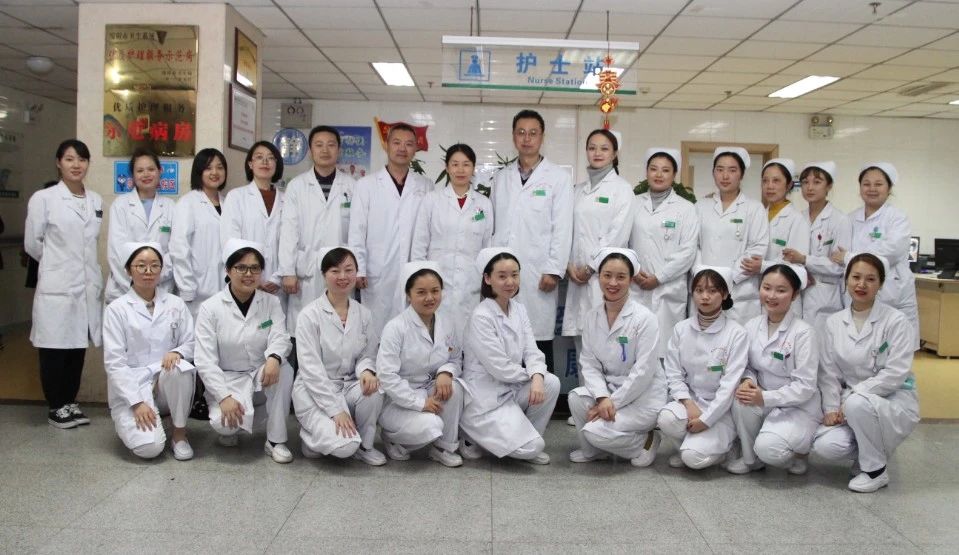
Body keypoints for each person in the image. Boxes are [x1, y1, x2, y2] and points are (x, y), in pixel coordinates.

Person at [812, 253, 919, 493]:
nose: (861, 284)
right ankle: (869, 451)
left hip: (893, 399)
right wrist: (831, 408)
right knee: (826, 446)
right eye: (856, 277)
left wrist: (855, 396)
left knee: (858, 404)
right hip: (850, 403)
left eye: (870, 279)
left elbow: (896, 373)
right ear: (846, 280)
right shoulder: (834, 323)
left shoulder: (896, 321)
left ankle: (875, 471)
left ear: (880, 284)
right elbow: (828, 372)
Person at [24, 139, 104, 428]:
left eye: (82, 159)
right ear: (59, 163)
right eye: (70, 159)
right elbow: (33, 243)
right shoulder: (43, 199)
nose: (76, 165)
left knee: (77, 347)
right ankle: (56, 405)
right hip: (57, 285)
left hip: (85, 286)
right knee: (54, 349)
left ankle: (70, 402)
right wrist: (57, 266)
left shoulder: (95, 200)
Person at [194, 239, 295, 463]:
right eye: (241, 267)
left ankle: (275, 440)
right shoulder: (210, 308)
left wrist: (274, 357)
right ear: (228, 270)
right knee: (224, 425)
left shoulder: (271, 302)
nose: (248, 274)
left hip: (260, 374)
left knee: (285, 369)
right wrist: (223, 397)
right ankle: (235, 425)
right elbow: (204, 360)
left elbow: (280, 336)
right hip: (228, 378)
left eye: (255, 268)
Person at [460, 248, 561, 464]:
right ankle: (471, 436)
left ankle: (527, 436)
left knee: (550, 383)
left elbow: (532, 351)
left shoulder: (519, 309)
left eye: (515, 275)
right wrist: (532, 376)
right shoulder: (481, 316)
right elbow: (500, 368)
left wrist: (538, 376)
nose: (510, 282)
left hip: (510, 389)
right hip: (487, 398)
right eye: (502, 276)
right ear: (487, 279)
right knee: (533, 447)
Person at [567, 248, 666, 467]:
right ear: (598, 277)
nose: (613, 283)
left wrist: (613, 402)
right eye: (607, 275)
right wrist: (602, 397)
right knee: (576, 397)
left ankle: (646, 441)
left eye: (621, 277)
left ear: (631, 280)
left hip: (643, 399)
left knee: (595, 431)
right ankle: (594, 452)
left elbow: (643, 371)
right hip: (610, 392)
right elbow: (590, 364)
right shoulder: (592, 317)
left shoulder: (645, 319)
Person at [490, 109, 573, 367]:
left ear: (542, 137)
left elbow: (563, 227)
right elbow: (495, 224)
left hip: (539, 272)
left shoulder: (558, 178)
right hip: (503, 271)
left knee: (537, 341)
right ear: (513, 136)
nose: (527, 138)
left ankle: (541, 391)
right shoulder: (501, 178)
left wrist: (554, 269)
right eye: (521, 132)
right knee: (504, 339)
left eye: (533, 133)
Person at [292, 246, 386, 466]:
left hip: (348, 385)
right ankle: (311, 439)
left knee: (374, 390)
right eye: (335, 271)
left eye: (349, 270)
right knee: (345, 447)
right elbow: (311, 370)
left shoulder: (364, 314)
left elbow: (367, 354)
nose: (343, 276)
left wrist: (366, 371)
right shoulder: (309, 315)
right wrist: (336, 411)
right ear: (324, 275)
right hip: (315, 389)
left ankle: (365, 447)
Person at [103, 242, 196, 460]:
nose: (148, 271)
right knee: (149, 449)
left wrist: (178, 352)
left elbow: (192, 342)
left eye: (155, 265)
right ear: (128, 270)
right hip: (132, 386)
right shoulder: (117, 310)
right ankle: (147, 420)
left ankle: (179, 434)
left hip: (164, 382)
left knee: (180, 368)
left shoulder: (175, 304)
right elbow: (115, 363)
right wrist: (137, 403)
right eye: (141, 265)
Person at [727, 264, 820, 476]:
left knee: (770, 450)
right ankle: (751, 460)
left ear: (794, 295)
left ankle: (799, 453)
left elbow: (805, 386)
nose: (771, 296)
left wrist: (765, 397)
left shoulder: (804, 333)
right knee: (740, 398)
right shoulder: (752, 326)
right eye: (766, 288)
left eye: (781, 290)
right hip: (764, 397)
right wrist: (748, 381)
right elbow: (747, 365)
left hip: (797, 406)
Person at [376, 262, 466, 467]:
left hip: (429, 389)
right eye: (421, 292)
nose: (430, 298)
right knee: (432, 426)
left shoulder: (447, 323)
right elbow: (387, 376)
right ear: (408, 295)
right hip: (398, 400)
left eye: (435, 291)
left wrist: (446, 372)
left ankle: (443, 448)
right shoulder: (395, 328)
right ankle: (393, 437)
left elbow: (455, 359)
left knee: (456, 387)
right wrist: (420, 404)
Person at [658, 266, 748, 469]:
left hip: (721, 410)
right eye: (699, 290)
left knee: (693, 459)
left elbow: (729, 385)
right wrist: (688, 403)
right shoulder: (681, 329)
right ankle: (688, 447)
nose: (704, 297)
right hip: (690, 402)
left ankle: (723, 450)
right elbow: (673, 374)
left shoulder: (736, 333)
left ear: (724, 294)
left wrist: (706, 419)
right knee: (666, 418)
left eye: (712, 291)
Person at [349, 123, 433, 336]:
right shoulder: (366, 185)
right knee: (376, 329)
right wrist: (359, 268)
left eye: (409, 144)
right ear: (386, 145)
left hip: (413, 267)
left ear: (416, 149)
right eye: (396, 142)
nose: (402, 148)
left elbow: (429, 232)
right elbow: (357, 230)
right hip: (377, 269)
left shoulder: (426, 186)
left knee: (412, 330)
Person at [561, 130, 633, 361]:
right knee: (582, 350)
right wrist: (568, 264)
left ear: (615, 153)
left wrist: (591, 266)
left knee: (607, 348)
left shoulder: (622, 190)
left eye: (604, 148)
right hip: (577, 279)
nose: (597, 153)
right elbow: (567, 230)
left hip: (603, 278)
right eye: (592, 148)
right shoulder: (577, 190)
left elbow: (618, 234)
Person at [278, 126, 356, 339]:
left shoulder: (351, 186)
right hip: (307, 270)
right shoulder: (297, 186)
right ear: (310, 151)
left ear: (339, 150)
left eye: (331, 145)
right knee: (306, 331)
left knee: (338, 331)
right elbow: (289, 231)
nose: (325, 150)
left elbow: (357, 232)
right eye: (319, 145)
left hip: (341, 269)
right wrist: (288, 271)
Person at [410, 143, 493, 337]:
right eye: (455, 164)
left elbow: (487, 247)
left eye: (466, 164)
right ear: (447, 168)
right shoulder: (432, 200)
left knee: (469, 338)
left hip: (471, 284)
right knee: (435, 336)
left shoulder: (484, 204)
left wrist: (485, 282)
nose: (460, 170)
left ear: (473, 168)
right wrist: (419, 280)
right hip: (436, 283)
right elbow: (420, 244)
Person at [837, 163, 918, 350]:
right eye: (866, 184)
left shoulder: (897, 217)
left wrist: (849, 257)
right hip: (858, 293)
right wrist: (846, 257)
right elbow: (838, 253)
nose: (872, 189)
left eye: (878, 184)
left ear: (889, 189)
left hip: (892, 291)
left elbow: (892, 251)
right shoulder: (850, 219)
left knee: (894, 348)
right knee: (861, 348)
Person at [629, 147, 699, 360]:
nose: (659, 174)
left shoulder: (686, 208)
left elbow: (688, 252)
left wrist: (659, 277)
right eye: (653, 169)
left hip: (669, 289)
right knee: (634, 351)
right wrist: (634, 270)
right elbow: (623, 242)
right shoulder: (633, 203)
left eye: (666, 170)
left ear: (674, 175)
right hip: (636, 285)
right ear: (646, 172)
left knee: (666, 353)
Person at [696, 147, 768, 325]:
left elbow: (757, 247)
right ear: (713, 173)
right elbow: (693, 245)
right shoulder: (700, 206)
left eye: (732, 170)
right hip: (704, 287)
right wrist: (703, 276)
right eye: (720, 169)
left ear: (741, 174)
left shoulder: (754, 208)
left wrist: (727, 278)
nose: (725, 176)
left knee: (738, 338)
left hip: (740, 290)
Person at [783, 162, 851, 331]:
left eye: (817, 182)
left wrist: (805, 260)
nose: (810, 187)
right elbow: (788, 256)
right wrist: (801, 268)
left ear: (829, 186)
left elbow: (838, 266)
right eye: (805, 182)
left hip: (826, 297)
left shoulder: (840, 220)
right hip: (799, 292)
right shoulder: (798, 217)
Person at [105, 148, 175, 303]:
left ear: (160, 171)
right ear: (133, 175)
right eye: (140, 170)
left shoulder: (171, 207)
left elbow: (174, 251)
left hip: (161, 288)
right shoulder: (120, 205)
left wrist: (154, 278)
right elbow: (116, 253)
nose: (146, 174)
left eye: (151, 169)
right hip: (124, 289)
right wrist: (136, 284)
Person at [220, 141, 285, 296]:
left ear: (276, 164)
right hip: (245, 279)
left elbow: (291, 242)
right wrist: (252, 276)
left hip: (278, 283)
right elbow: (230, 241)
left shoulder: (287, 199)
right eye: (259, 157)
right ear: (250, 164)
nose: (265, 162)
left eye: (270, 158)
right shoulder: (236, 197)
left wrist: (278, 277)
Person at [170, 148, 228, 317]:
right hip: (196, 292)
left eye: (220, 167)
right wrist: (186, 286)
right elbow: (179, 249)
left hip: (225, 288)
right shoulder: (187, 203)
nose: (215, 172)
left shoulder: (228, 203)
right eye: (208, 168)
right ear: (199, 171)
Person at [759, 158, 809, 317]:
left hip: (784, 297)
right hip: (761, 293)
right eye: (765, 181)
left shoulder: (797, 220)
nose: (769, 186)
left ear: (788, 185)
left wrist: (761, 266)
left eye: (776, 181)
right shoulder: (759, 214)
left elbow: (794, 266)